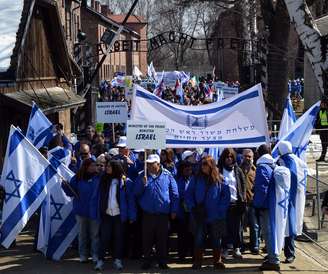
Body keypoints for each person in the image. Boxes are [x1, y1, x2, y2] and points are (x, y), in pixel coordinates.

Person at [134, 154, 179, 270]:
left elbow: (175, 194)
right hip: (147, 214)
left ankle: (162, 261)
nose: (148, 165)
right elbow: (136, 193)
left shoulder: (167, 175)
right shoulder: (141, 175)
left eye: (151, 163)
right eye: (147, 163)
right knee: (147, 239)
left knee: (162, 239)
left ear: (158, 164)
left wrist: (174, 210)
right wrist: (142, 184)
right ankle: (147, 260)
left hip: (162, 214)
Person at [185, 155, 230, 269]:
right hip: (200, 215)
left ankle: (217, 261)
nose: (202, 166)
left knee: (216, 239)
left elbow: (226, 196)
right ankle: (198, 261)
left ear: (211, 165)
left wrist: (220, 210)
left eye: (205, 164)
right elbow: (188, 194)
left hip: (215, 216)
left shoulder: (220, 179)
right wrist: (192, 207)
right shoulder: (195, 179)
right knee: (199, 238)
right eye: (202, 164)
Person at [96, 160, 136, 271]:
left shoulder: (125, 181)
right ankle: (100, 260)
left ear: (116, 167)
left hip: (119, 215)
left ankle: (117, 260)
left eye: (109, 166)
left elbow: (130, 200)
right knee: (104, 238)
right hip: (107, 214)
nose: (107, 168)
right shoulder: (103, 180)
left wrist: (132, 215)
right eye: (107, 166)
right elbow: (97, 197)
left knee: (118, 239)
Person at [62, 158, 101, 268]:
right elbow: (71, 192)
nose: (94, 167)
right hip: (81, 211)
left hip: (95, 212)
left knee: (95, 235)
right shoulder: (77, 178)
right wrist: (65, 186)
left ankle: (95, 254)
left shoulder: (99, 177)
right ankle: (83, 255)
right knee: (82, 234)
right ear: (86, 166)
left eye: (95, 165)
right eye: (92, 165)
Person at [277, 141, 308, 264]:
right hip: (299, 197)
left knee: (286, 225)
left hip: (287, 198)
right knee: (291, 224)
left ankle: (289, 253)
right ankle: (287, 252)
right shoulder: (301, 161)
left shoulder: (283, 161)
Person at [253, 144, 280, 271]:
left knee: (268, 233)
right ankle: (272, 256)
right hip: (274, 204)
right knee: (272, 232)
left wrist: (257, 204)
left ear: (258, 153)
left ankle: (273, 260)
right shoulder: (273, 165)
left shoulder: (262, 167)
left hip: (265, 205)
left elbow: (261, 188)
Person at [218, 148, 246, 259]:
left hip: (236, 203)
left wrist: (243, 198)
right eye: (227, 157)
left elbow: (242, 185)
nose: (229, 159)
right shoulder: (219, 170)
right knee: (224, 228)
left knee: (237, 228)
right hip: (224, 204)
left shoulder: (237, 170)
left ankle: (236, 248)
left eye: (231, 157)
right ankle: (225, 249)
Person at [239, 149, 260, 254]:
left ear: (253, 158)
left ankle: (255, 246)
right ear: (242, 157)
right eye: (245, 156)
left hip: (252, 202)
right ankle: (240, 246)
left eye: (249, 156)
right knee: (241, 226)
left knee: (254, 225)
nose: (247, 158)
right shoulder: (238, 169)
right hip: (241, 202)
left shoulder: (256, 170)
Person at [175, 160, 194, 260]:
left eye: (190, 169)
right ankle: (182, 254)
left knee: (192, 233)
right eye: (186, 169)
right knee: (182, 234)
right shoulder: (177, 180)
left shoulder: (193, 179)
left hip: (192, 211)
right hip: (181, 211)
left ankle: (192, 253)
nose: (188, 171)